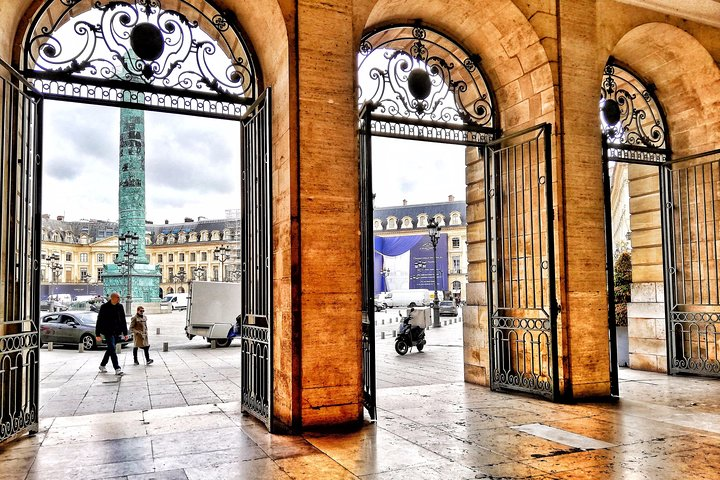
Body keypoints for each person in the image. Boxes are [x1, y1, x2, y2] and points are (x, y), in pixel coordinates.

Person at [95, 292, 128, 376]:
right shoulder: (104, 307)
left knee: (110, 349)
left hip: (116, 331)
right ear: (112, 298)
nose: (119, 299)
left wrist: (125, 333)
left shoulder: (120, 307)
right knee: (112, 348)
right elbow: (99, 320)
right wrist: (97, 334)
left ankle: (102, 365)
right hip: (108, 331)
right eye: (118, 297)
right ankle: (117, 368)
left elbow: (123, 320)